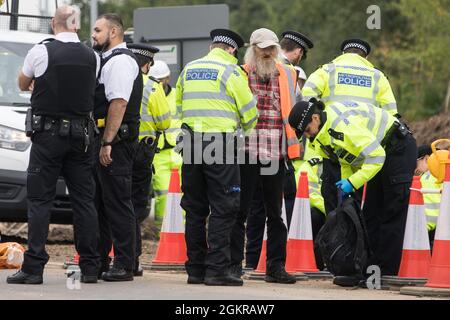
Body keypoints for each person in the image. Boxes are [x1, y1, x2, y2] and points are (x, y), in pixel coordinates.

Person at [7, 5, 100, 284]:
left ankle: (33, 268)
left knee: (39, 200)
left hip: (48, 137)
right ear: (77, 25)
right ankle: (91, 267)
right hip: (82, 138)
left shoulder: (41, 51)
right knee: (84, 201)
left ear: (52, 23)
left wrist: (38, 81)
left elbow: (23, 83)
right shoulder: (92, 55)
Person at [289, 99, 417, 276]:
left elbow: (377, 156)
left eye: (307, 130)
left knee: (391, 212)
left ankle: (385, 272)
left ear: (316, 118)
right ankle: (367, 270)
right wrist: (346, 187)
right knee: (370, 214)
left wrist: (353, 183)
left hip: (397, 149)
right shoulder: (324, 134)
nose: (308, 135)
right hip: (379, 155)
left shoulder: (342, 126)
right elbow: (347, 159)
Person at [176, 29, 258, 286]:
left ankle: (195, 270)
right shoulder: (232, 72)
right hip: (220, 145)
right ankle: (217, 270)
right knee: (224, 207)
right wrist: (241, 132)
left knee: (194, 208)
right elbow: (249, 113)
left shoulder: (189, 68)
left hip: (190, 142)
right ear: (232, 50)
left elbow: (179, 105)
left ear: (213, 46)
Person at [229, 28, 300, 284]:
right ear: (253, 49)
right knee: (240, 210)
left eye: (272, 48)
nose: (269, 53)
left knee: (275, 212)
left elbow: (296, 108)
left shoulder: (289, 74)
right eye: (264, 49)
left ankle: (275, 267)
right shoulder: (240, 73)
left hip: (276, 153)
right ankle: (233, 265)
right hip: (246, 152)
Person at [302, 39, 398, 215]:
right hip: (365, 148)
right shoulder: (378, 77)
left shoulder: (328, 70)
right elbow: (391, 114)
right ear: (366, 57)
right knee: (362, 200)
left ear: (343, 54)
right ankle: (358, 237)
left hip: (332, 145)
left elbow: (306, 96)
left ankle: (335, 236)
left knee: (332, 196)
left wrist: (321, 114)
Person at [92, 13, 141, 282]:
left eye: (98, 30)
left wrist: (107, 142)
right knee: (103, 203)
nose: (94, 35)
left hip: (117, 144)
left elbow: (118, 103)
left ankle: (124, 263)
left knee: (118, 204)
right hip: (112, 141)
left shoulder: (120, 62)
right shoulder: (108, 60)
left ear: (113, 32)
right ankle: (102, 260)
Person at [128, 44, 171, 277]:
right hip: (142, 152)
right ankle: (131, 259)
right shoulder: (152, 88)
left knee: (114, 202)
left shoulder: (114, 78)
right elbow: (164, 123)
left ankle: (108, 256)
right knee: (135, 204)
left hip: (115, 149)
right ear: (147, 64)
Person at [149, 60, 183, 222]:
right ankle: (160, 234)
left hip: (179, 152)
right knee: (162, 194)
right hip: (159, 154)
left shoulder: (178, 95)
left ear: (168, 78)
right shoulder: (149, 95)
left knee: (183, 193)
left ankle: (182, 233)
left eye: (161, 80)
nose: (159, 83)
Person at [415, 144, 442, 248]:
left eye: (416, 162)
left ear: (426, 159)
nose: (415, 168)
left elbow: (431, 215)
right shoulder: (444, 173)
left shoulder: (428, 177)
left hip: (431, 231)